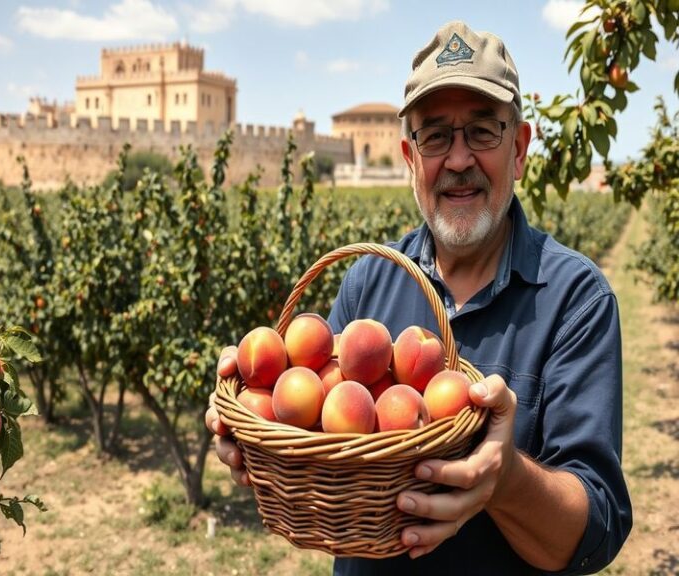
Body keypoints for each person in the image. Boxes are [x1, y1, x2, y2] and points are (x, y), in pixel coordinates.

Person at [206, 20, 632, 575]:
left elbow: (593, 534)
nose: (457, 160)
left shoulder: (576, 300)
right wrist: (257, 435)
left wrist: (504, 480)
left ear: (520, 150)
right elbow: (313, 428)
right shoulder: (368, 282)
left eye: (483, 132)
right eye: (435, 136)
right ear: (410, 158)